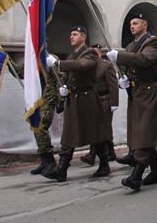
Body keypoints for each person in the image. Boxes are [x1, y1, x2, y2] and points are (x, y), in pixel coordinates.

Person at [42, 25, 112, 182]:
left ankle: (104, 164)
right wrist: (65, 87)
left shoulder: (90, 54)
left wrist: (58, 63)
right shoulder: (71, 55)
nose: (71, 37)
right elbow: (69, 75)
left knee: (95, 134)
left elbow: (81, 66)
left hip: (88, 99)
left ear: (83, 37)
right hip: (74, 99)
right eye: (71, 34)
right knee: (68, 134)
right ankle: (62, 169)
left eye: (75, 34)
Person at [107, 14, 157, 192]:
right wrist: (123, 77)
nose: (132, 26)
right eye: (130, 24)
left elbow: (144, 60)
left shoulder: (152, 42)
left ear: (145, 25)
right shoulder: (131, 45)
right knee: (140, 130)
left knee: (145, 130)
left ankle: (136, 175)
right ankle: (155, 172)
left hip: (150, 90)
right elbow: (128, 66)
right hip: (136, 92)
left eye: (136, 23)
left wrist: (120, 56)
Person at [81, 44, 119, 165]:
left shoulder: (106, 66)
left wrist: (114, 102)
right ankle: (110, 151)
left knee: (102, 127)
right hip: (94, 100)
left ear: (99, 54)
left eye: (95, 52)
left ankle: (92, 154)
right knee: (99, 127)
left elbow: (113, 85)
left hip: (105, 99)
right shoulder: (90, 67)